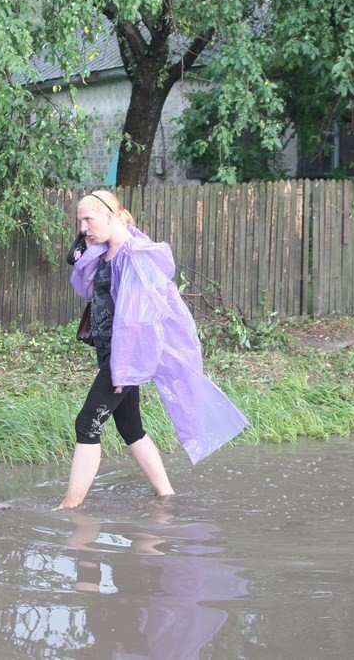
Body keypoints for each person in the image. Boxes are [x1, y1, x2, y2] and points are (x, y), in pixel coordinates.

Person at [55, 191, 250, 510]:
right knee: (130, 426)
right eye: (80, 221)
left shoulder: (134, 256)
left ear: (112, 214)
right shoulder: (105, 251)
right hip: (111, 354)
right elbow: (90, 289)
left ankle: (70, 507)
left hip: (124, 357)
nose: (83, 227)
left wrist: (123, 369)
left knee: (87, 422)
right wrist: (85, 253)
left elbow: (138, 322)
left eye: (88, 219)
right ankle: (167, 496)